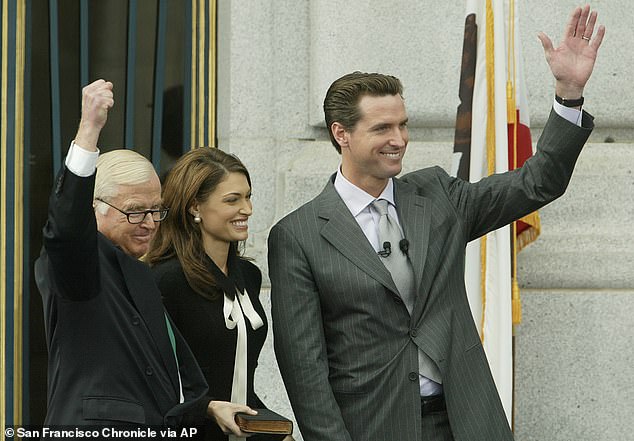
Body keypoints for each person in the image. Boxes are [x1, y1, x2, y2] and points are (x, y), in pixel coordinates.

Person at [267, 5, 605, 441]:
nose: (399, 139)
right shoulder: (299, 235)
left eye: (403, 125)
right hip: (374, 427)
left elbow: (537, 184)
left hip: (465, 420)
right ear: (341, 134)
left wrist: (568, 95)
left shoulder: (437, 195)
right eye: (382, 128)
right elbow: (305, 371)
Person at [34, 79, 212, 431]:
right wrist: (89, 129)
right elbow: (66, 228)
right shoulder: (79, 263)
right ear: (94, 209)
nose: (149, 223)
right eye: (134, 211)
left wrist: (208, 409)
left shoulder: (138, 271)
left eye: (156, 210)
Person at [146, 148, 294, 441]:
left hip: (242, 430)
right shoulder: (166, 281)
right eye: (232, 200)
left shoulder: (249, 277)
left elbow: (239, 380)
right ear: (195, 208)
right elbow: (153, 378)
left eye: (248, 196)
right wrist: (207, 408)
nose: (247, 209)